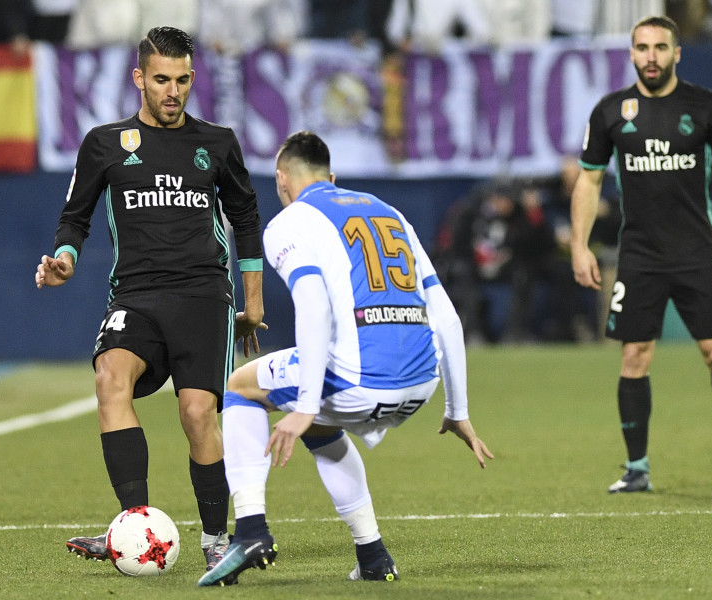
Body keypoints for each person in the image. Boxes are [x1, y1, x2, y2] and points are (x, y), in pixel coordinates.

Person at [197, 131, 493, 587]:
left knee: (241, 386)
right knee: (319, 427)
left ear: (282, 180)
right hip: (420, 387)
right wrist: (459, 412)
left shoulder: (290, 222)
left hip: (361, 382)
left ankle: (251, 530)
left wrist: (307, 404)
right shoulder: (389, 212)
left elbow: (313, 306)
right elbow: (448, 318)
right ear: (332, 178)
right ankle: (373, 556)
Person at [34, 26, 267, 573]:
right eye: (161, 79)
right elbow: (75, 218)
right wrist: (64, 258)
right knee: (109, 378)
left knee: (196, 412)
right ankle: (133, 527)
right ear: (139, 77)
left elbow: (247, 220)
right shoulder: (105, 143)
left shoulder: (217, 143)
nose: (173, 91)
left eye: (183, 80)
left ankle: (217, 539)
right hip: (135, 295)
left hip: (203, 295)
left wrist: (251, 303)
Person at [570, 16, 712, 494]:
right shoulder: (611, 112)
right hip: (638, 254)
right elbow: (590, 179)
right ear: (632, 53)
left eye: (660, 47)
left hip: (696, 251)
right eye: (642, 48)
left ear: (677, 53)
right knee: (634, 356)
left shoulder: (705, 107)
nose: (651, 56)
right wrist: (580, 244)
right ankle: (636, 468)